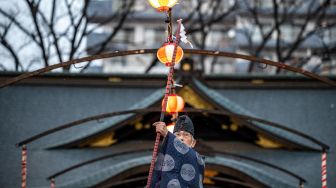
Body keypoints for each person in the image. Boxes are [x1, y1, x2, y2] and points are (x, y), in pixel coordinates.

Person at [151, 115, 205, 188]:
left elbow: (188, 154)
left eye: (186, 135)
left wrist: (167, 135)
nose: (181, 138)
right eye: (177, 135)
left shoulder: (198, 159)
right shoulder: (164, 160)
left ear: (193, 143)